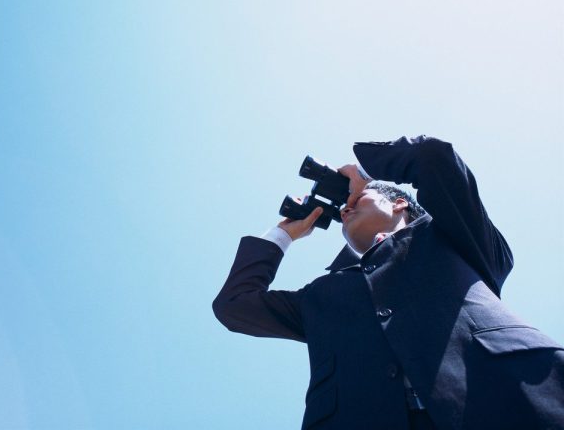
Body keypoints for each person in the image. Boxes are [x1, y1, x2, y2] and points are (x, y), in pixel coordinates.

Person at [213, 136, 564, 430]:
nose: (345, 209)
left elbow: (433, 156)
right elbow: (235, 305)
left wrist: (363, 174)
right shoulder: (323, 294)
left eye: (357, 199)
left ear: (398, 204)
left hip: (511, 405)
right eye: (344, 208)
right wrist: (283, 234)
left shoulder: (454, 237)